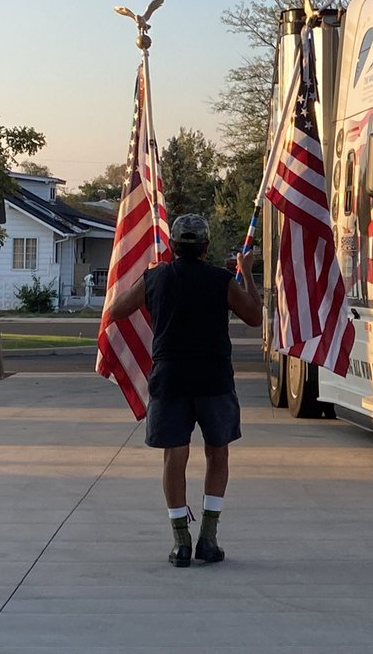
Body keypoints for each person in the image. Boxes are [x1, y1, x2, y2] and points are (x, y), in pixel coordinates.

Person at [107, 213, 262, 567]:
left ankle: (180, 541)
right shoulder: (221, 280)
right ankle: (209, 537)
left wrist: (148, 278)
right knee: (217, 454)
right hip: (214, 380)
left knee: (174, 457)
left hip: (170, 379)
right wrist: (247, 272)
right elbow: (254, 316)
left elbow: (117, 310)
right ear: (206, 247)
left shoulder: (156, 278)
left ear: (173, 247)